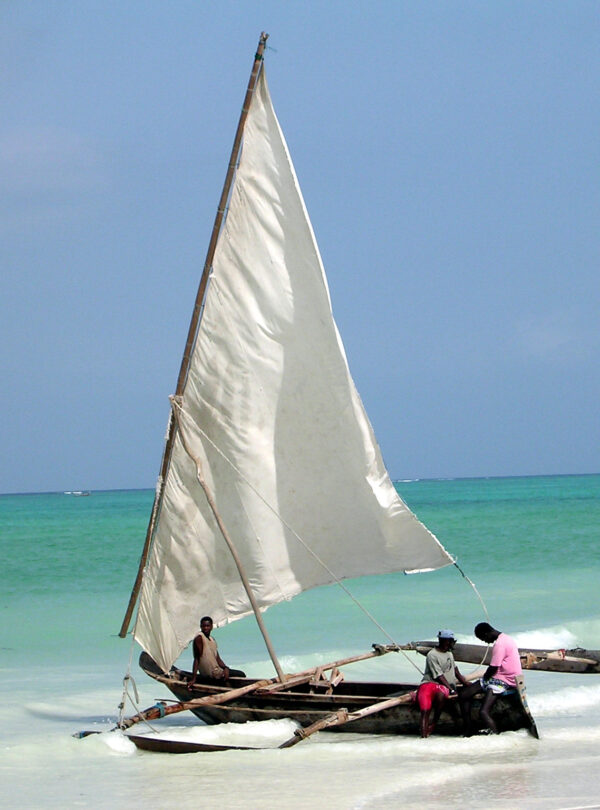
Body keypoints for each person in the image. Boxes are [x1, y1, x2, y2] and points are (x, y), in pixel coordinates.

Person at [458, 622, 522, 735]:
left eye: (483, 638)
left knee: (483, 711)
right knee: (464, 694)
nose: (485, 642)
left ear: (487, 633)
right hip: (508, 677)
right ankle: (469, 727)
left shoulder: (500, 644)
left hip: (503, 680)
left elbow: (493, 668)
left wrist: (484, 679)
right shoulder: (507, 638)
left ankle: (494, 735)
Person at [415, 629, 468, 737]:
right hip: (430, 683)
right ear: (445, 641)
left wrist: (465, 683)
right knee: (425, 710)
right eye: (452, 641)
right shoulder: (432, 655)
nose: (453, 643)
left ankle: (433, 724)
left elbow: (455, 670)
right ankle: (423, 736)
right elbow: (438, 676)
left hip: (443, 686)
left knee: (441, 698)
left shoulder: (449, 653)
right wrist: (451, 689)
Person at [187, 616, 246, 689]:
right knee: (241, 674)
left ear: (211, 626)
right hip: (212, 673)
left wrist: (225, 668)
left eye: (208, 626)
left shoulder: (212, 639)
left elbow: (218, 659)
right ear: (201, 626)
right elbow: (197, 659)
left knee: (238, 674)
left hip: (218, 671)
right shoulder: (199, 638)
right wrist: (194, 679)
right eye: (203, 626)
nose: (205, 628)